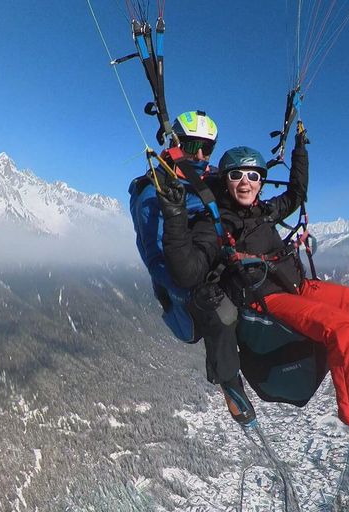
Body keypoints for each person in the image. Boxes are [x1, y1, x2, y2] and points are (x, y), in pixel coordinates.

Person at [159, 126, 349, 465]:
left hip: (297, 284)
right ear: (225, 180)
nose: (245, 182)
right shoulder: (214, 223)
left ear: (261, 180)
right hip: (267, 298)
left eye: (253, 175)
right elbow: (186, 271)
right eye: (236, 175)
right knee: (343, 328)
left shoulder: (262, 210)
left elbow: (296, 194)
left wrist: (299, 152)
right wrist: (173, 216)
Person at [130, 110, 256, 426]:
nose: (200, 155)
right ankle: (229, 381)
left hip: (213, 262)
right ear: (175, 145)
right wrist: (191, 285)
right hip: (182, 287)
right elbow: (155, 261)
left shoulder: (210, 181)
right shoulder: (153, 194)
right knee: (220, 311)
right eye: (190, 146)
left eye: (207, 148)